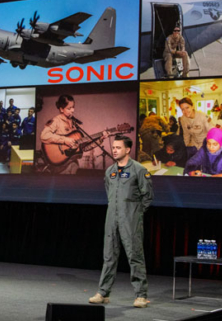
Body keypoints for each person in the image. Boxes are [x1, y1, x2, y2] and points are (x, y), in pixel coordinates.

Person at [89, 135, 152, 308]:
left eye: (118, 147)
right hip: (112, 218)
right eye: (114, 147)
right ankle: (103, 292)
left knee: (135, 256)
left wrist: (136, 213)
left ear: (127, 149)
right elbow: (109, 191)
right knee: (109, 256)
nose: (114, 150)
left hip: (130, 219)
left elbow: (148, 196)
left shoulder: (139, 170)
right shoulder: (110, 171)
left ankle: (141, 295)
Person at [40, 95, 107, 174]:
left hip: (73, 164)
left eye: (73, 107)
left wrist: (100, 139)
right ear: (61, 109)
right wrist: (65, 140)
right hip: (60, 167)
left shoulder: (75, 124)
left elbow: (83, 148)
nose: (72, 110)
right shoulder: (56, 121)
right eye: (69, 108)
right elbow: (44, 136)